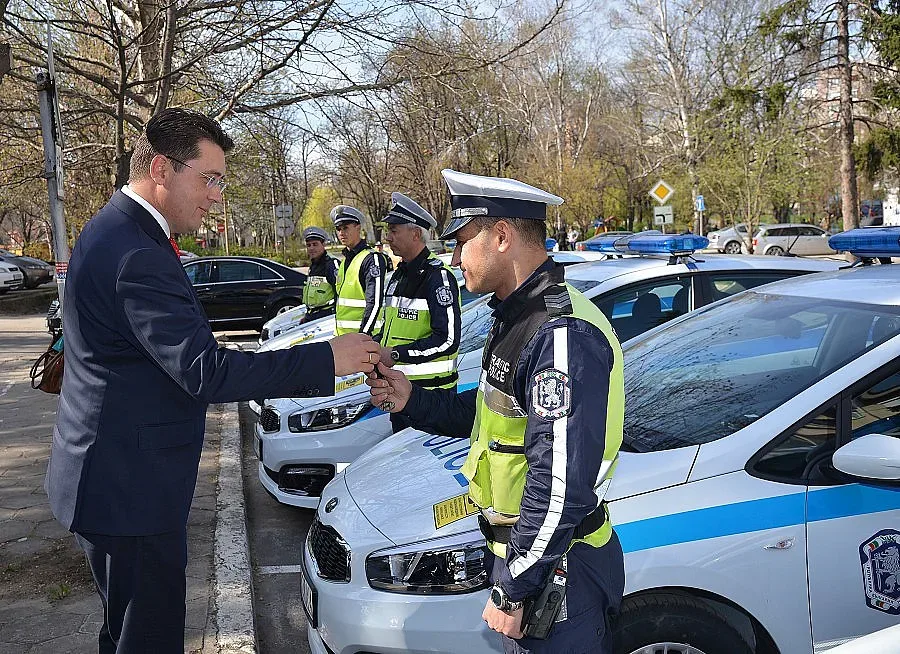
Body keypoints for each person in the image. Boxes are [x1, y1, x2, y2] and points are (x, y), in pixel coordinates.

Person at [45, 108, 380, 654]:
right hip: (130, 489)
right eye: (210, 178)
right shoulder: (135, 252)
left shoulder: (119, 230)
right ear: (161, 168)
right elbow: (205, 371)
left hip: (113, 477)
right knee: (146, 639)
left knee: (126, 631)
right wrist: (327, 359)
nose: (218, 195)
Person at [368, 169, 626, 653]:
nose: (453, 257)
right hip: (527, 561)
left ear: (502, 236)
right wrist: (411, 399)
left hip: (558, 570)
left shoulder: (559, 333)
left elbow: (560, 486)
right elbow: (491, 416)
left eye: (463, 242)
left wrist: (514, 588)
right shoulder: (516, 317)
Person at [375, 192, 461, 433]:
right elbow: (389, 331)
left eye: (394, 230)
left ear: (415, 234)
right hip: (397, 391)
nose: (388, 237)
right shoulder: (398, 276)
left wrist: (394, 354)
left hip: (431, 397)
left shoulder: (438, 277)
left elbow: (448, 341)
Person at [331, 205, 387, 335]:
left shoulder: (372, 259)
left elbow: (374, 303)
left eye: (345, 228)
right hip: (343, 339)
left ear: (358, 227)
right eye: (338, 229)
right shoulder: (345, 262)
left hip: (364, 340)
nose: (341, 233)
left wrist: (364, 335)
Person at [300, 225, 340, 324]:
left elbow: (340, 293)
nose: (311, 248)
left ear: (323, 244)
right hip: (313, 316)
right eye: (308, 245)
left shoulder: (331, 264)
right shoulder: (313, 265)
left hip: (327, 317)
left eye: (315, 244)